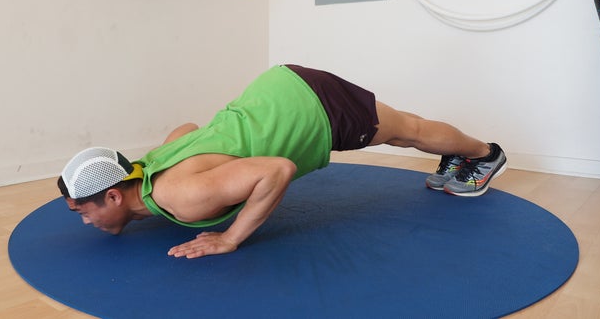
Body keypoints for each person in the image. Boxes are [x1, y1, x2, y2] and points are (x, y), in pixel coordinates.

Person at [57, 64, 506, 259]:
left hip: (311, 109)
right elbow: (188, 129)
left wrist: (230, 238)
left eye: (84, 209)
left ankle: (485, 155)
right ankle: (463, 156)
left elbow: (277, 169)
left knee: (409, 130)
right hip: (274, 90)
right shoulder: (151, 164)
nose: (83, 220)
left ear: (114, 195)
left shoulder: (182, 197)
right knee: (409, 127)